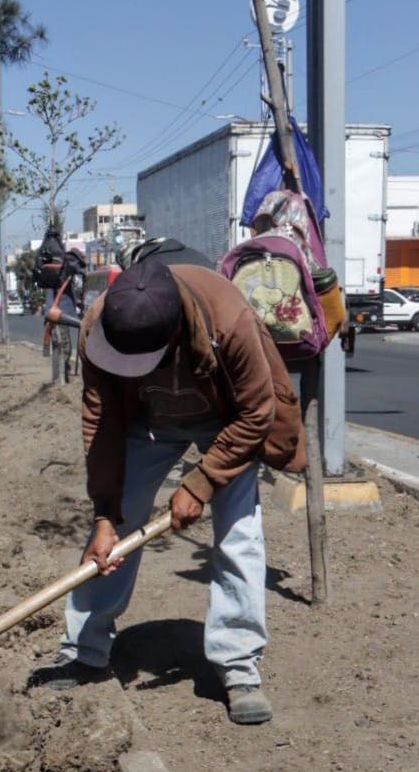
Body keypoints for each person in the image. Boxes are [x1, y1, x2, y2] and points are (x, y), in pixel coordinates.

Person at [32, 257, 307, 724]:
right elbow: (100, 424)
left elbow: (256, 413)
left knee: (240, 534)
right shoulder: (101, 325)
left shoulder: (230, 319)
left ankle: (238, 664)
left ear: (175, 334)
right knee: (114, 533)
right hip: (148, 423)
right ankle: (84, 648)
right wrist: (104, 514)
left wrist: (199, 483)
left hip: (226, 422)